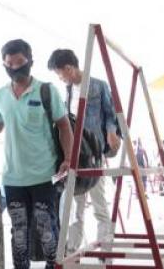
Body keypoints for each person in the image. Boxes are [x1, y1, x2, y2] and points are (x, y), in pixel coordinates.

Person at [0, 39, 72, 269]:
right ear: (4, 65)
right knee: (18, 232)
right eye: (9, 64)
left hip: (44, 176)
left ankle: (53, 266)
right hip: (13, 178)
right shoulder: (0, 96)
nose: (15, 68)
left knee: (47, 229)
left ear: (30, 61)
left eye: (19, 62)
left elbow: (64, 125)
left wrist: (67, 159)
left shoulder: (46, 91)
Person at [47, 49, 119, 255]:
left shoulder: (98, 85)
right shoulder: (68, 91)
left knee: (99, 203)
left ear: (69, 68)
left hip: (94, 154)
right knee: (76, 204)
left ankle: (106, 246)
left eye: (60, 73)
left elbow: (110, 114)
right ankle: (72, 248)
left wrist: (111, 133)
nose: (60, 78)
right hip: (75, 155)